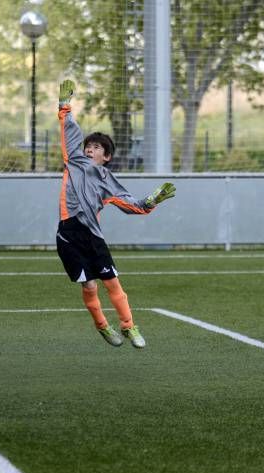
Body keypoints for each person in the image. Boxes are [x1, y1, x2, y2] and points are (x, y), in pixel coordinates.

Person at [55, 79, 176, 348]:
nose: (90, 149)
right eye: (89, 146)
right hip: (68, 234)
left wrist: (152, 200)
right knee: (89, 286)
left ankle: (129, 327)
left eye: (97, 147)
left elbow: (132, 205)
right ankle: (102, 326)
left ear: (106, 156)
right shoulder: (73, 161)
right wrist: (64, 105)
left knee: (112, 283)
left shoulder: (109, 181)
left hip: (93, 236)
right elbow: (69, 131)